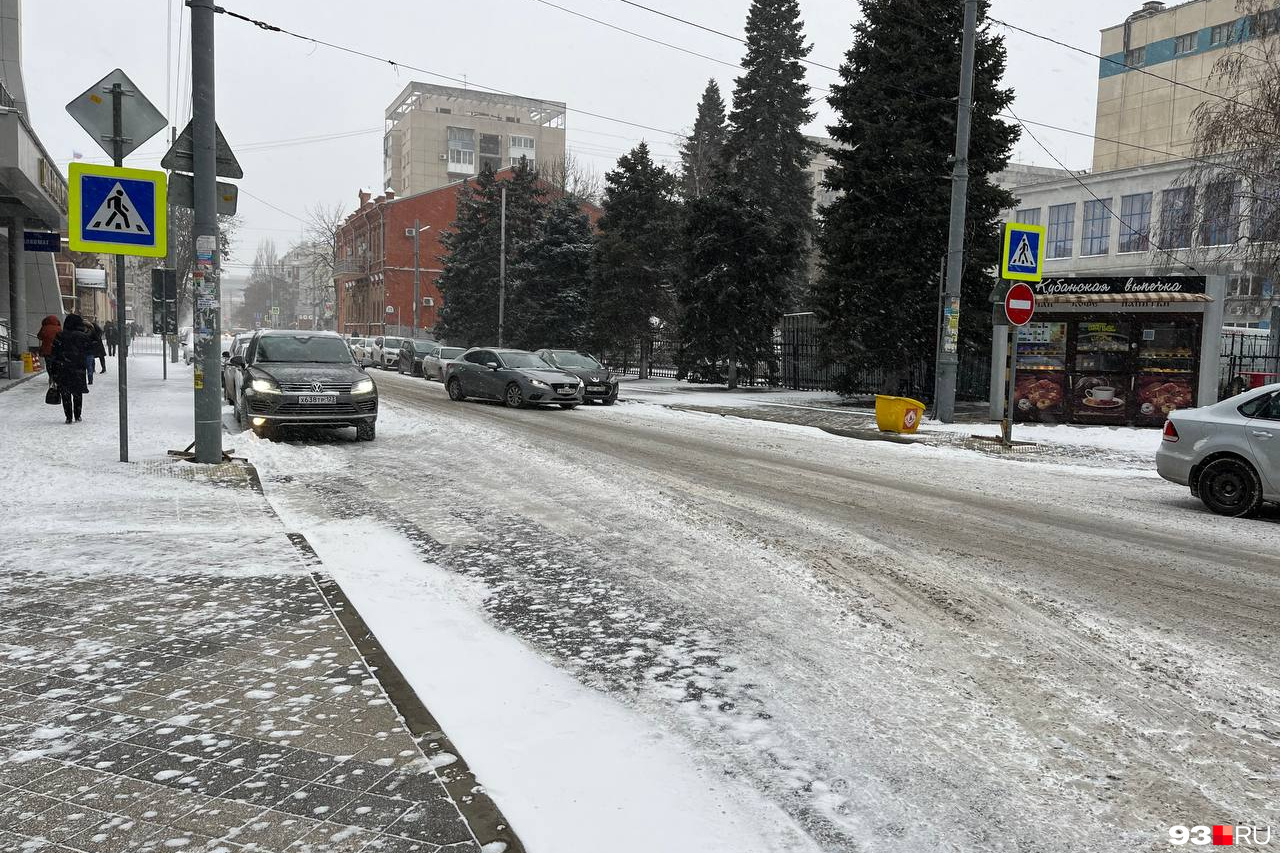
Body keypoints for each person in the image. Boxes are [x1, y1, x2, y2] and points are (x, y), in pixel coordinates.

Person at [50, 314, 90, 424]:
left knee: (65, 393)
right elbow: (90, 349)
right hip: (78, 368)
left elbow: (54, 353)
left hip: (63, 368)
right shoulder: (82, 336)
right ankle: (77, 415)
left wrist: (53, 371)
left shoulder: (60, 336)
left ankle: (68, 416)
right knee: (77, 393)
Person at [37, 315, 61, 384]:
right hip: (56, 349)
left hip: (46, 350)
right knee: (56, 363)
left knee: (48, 364)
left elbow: (39, 336)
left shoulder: (44, 328)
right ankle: (55, 375)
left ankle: (50, 376)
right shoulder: (58, 328)